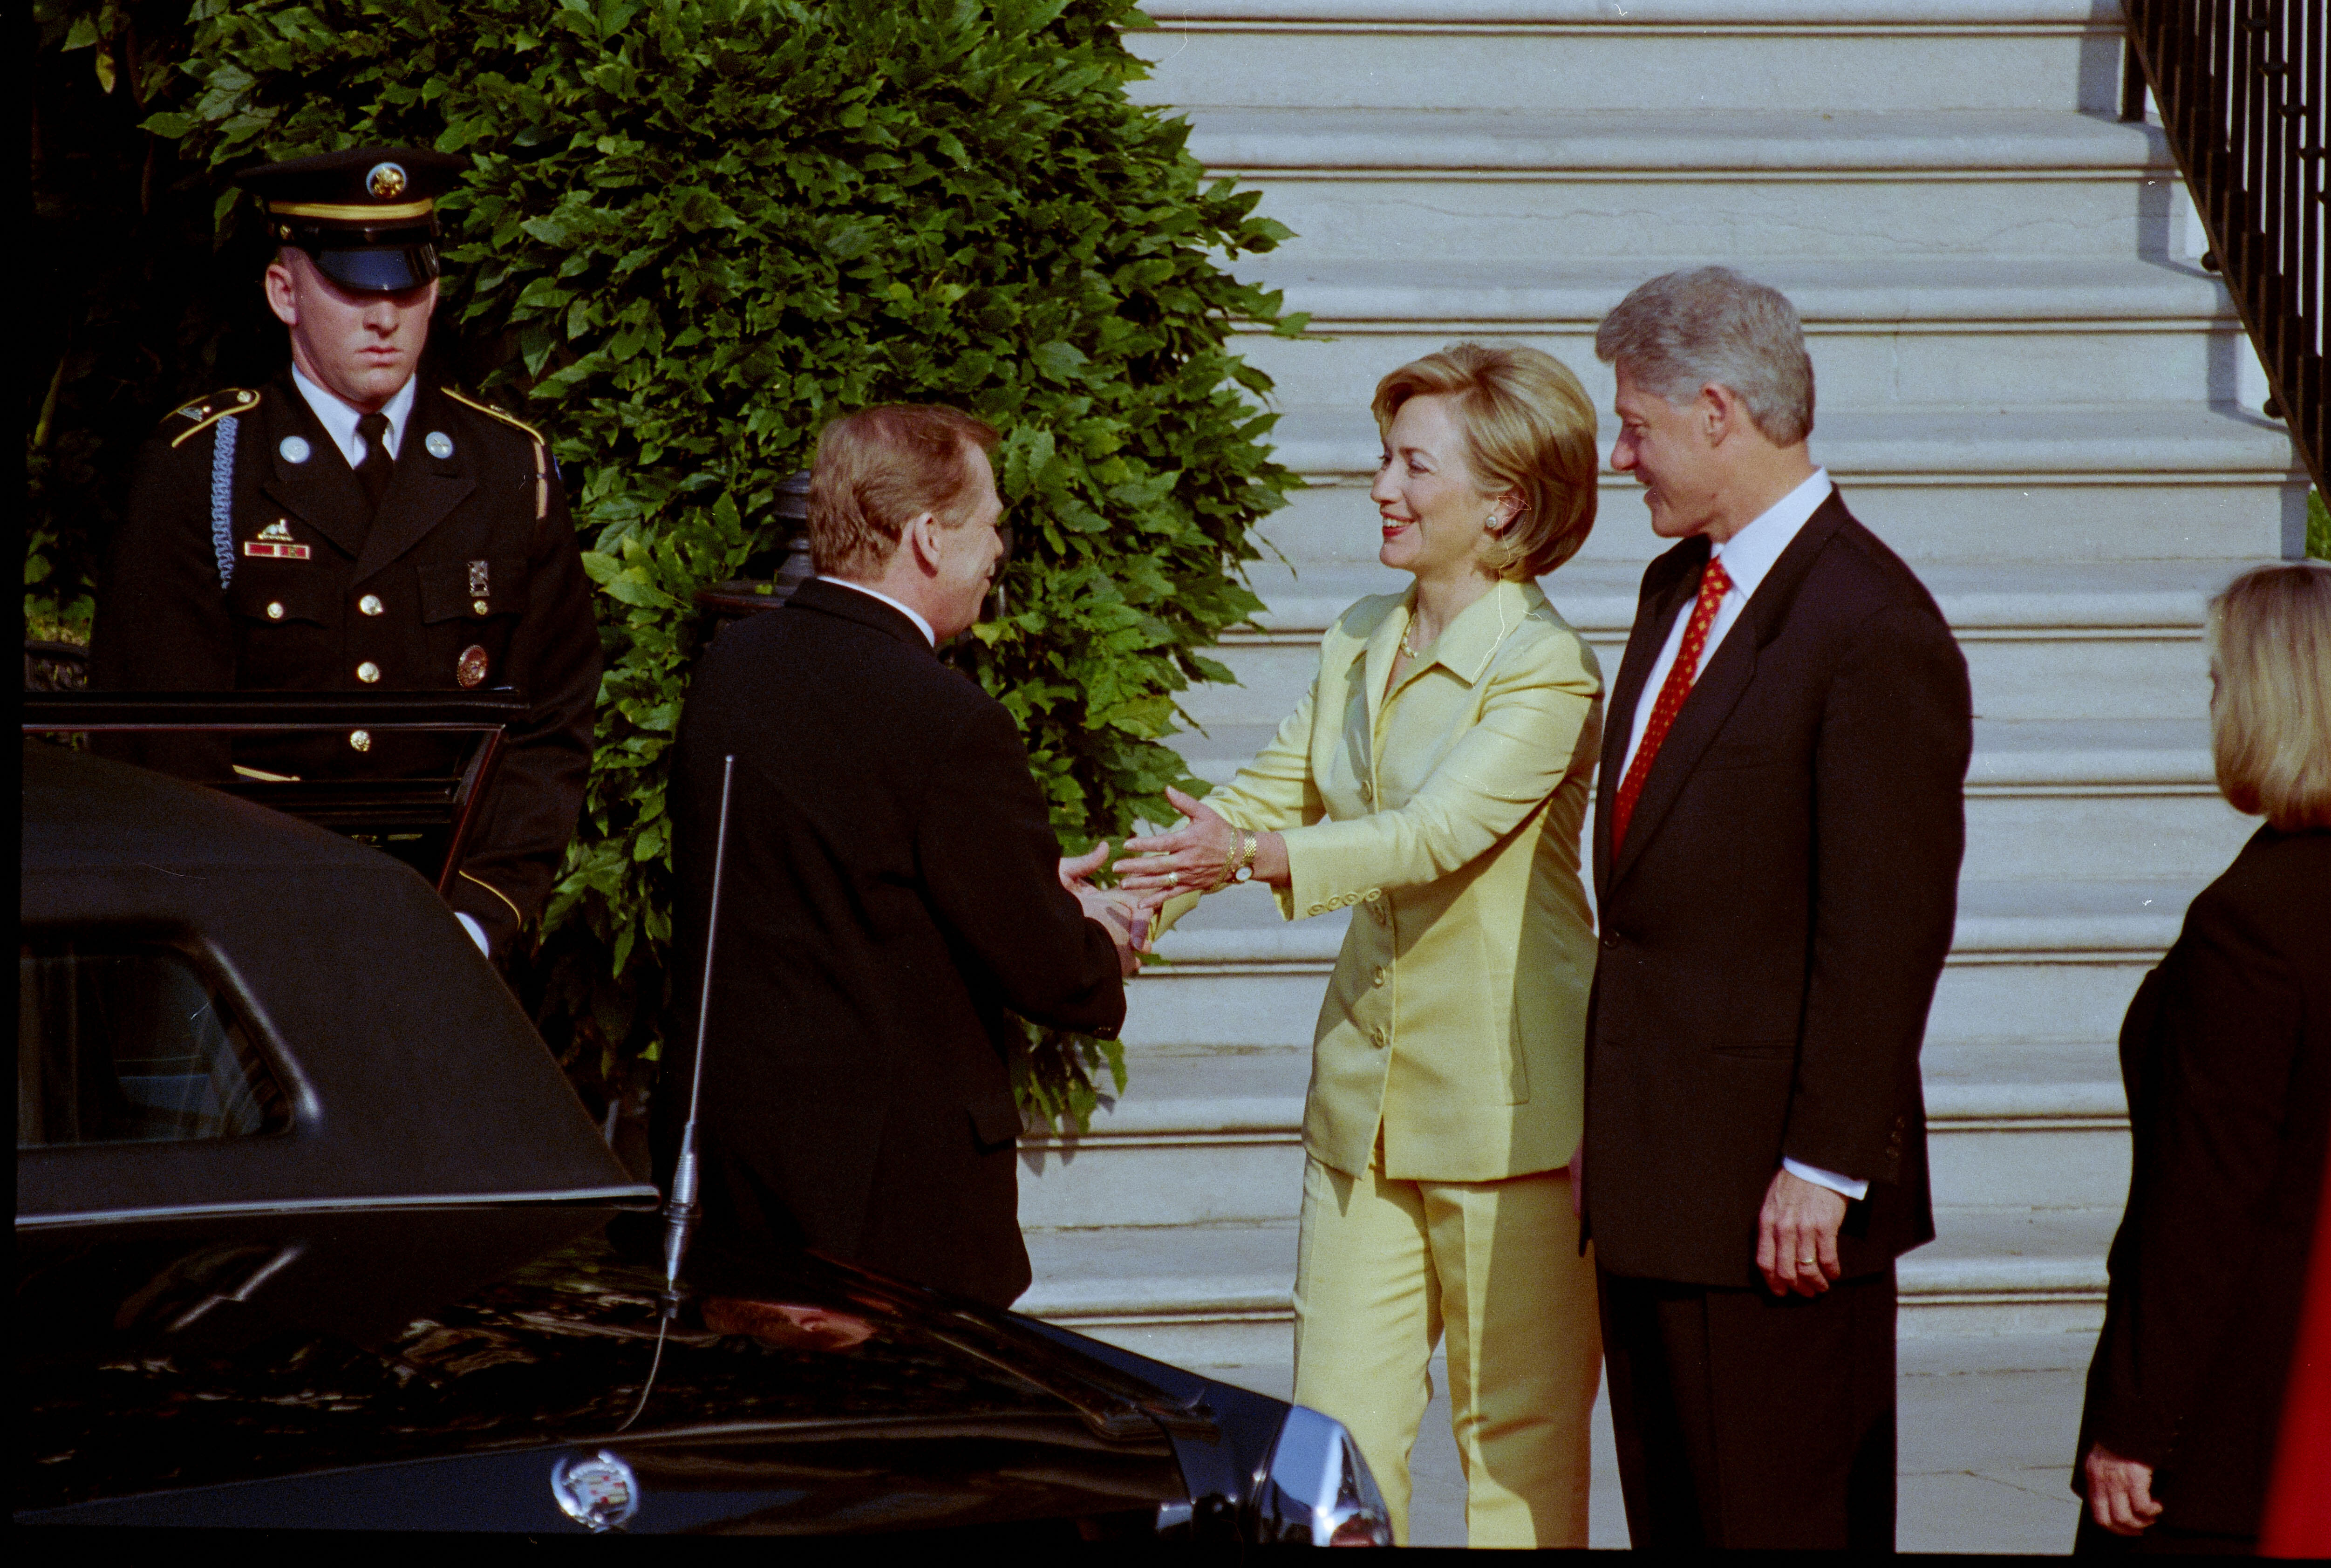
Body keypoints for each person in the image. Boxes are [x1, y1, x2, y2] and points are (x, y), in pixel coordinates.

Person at [1114, 344, 1606, 1547]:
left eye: (1410, 463)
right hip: (1360, 1114)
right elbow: (1258, 792)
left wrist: (1260, 860)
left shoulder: (1548, 667)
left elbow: (1431, 832)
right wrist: (1130, 901)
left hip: (1510, 1119)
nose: (1379, 483)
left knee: (1517, 1465)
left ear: (1505, 502)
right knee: (1326, 1450)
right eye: (1384, 455)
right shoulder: (1356, 633)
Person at [1580, 266, 1972, 1551]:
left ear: (1714, 410)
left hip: (1772, 1207)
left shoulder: (1868, 621)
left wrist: (1822, 1162)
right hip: (1657, 1185)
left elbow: (1885, 927)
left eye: (1633, 423)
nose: (1616, 451)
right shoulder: (1669, 590)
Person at [661, 404, 1139, 1310]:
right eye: (992, 522)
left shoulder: (732, 668)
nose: (1000, 549)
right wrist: (1096, 937)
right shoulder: (950, 720)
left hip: (736, 1179)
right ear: (928, 537)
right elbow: (1053, 974)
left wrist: (1031, 892)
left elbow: (846, 887)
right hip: (889, 1214)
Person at [89, 146, 602, 962]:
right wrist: (230, 929)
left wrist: (477, 917)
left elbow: (550, 719)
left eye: (408, 285)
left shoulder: (508, 467)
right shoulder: (207, 468)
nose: (385, 316)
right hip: (250, 928)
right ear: (284, 292)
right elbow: (159, 742)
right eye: (355, 286)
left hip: (447, 922)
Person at [2073, 561, 2331, 1555]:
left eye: (2222, 682)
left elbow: (2206, 1209)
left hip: (2238, 1423)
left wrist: (2141, 1426)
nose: (2214, 705)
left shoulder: (2250, 926)